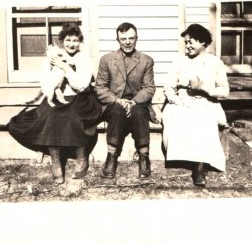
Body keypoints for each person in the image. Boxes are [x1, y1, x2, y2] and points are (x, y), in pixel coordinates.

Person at [8, 23, 102, 184]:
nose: (71, 44)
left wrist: (65, 67)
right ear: (62, 41)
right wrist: (53, 68)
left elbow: (81, 85)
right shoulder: (53, 57)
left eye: (75, 40)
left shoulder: (84, 59)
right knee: (51, 114)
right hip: (58, 98)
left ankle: (82, 157)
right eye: (68, 40)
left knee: (74, 115)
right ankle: (56, 161)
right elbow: (45, 84)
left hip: (81, 97)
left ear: (80, 41)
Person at [162, 23, 229, 187]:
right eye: (186, 42)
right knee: (176, 116)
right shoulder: (179, 61)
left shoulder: (215, 63)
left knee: (204, 119)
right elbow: (168, 87)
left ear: (203, 42)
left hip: (207, 102)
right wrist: (177, 100)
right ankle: (186, 157)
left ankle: (199, 166)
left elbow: (224, 90)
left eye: (191, 42)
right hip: (183, 101)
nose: (187, 45)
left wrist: (204, 87)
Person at [94, 22, 157, 179]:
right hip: (114, 103)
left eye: (131, 38)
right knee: (117, 112)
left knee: (140, 113)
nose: (128, 42)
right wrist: (117, 101)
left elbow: (149, 88)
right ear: (118, 39)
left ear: (137, 39)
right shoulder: (107, 59)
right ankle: (111, 157)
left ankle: (144, 157)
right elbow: (100, 88)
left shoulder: (146, 60)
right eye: (123, 39)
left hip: (137, 102)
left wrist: (134, 102)